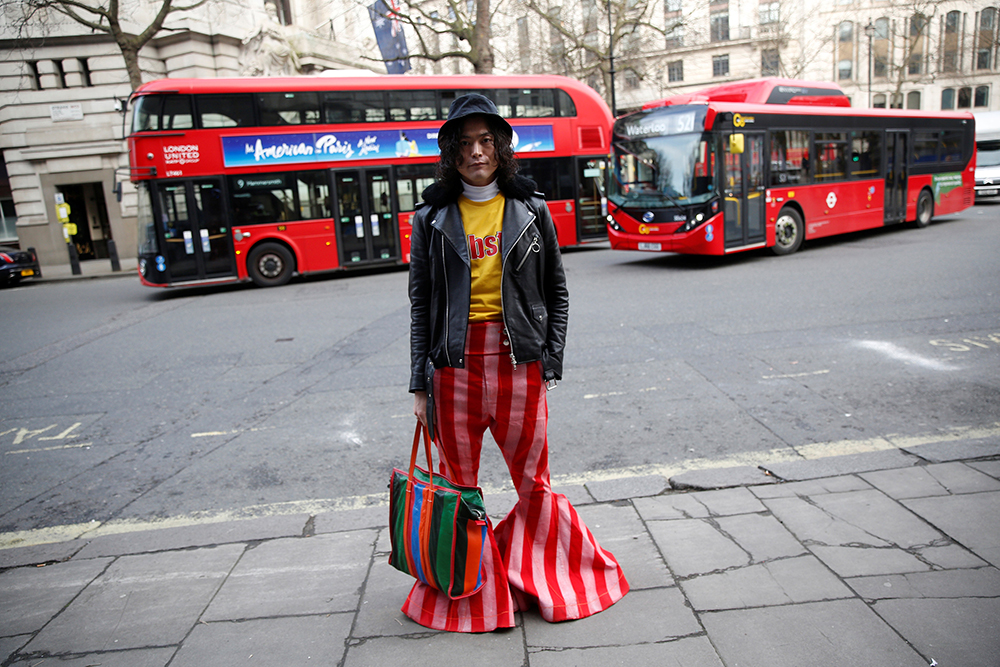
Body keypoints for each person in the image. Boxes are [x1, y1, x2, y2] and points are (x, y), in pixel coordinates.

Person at [406, 94, 629, 633]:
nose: (476, 152)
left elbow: (557, 289)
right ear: (451, 152)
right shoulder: (431, 218)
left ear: (501, 148)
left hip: (518, 363)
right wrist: (419, 385)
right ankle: (471, 596)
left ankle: (549, 579)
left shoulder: (531, 210)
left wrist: (550, 358)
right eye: (465, 143)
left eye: (486, 141)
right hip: (453, 368)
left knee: (534, 483)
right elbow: (421, 303)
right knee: (459, 489)